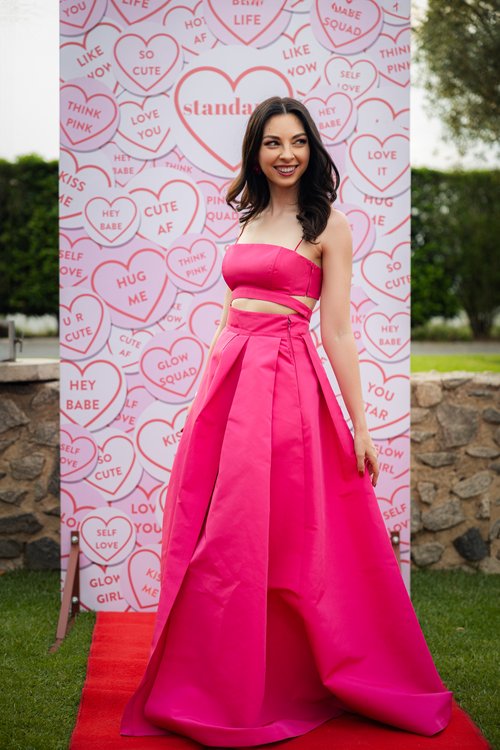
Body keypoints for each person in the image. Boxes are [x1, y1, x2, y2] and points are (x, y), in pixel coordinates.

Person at [120, 96, 453, 746]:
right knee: (217, 533)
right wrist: (202, 398)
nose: (286, 153)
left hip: (284, 387)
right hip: (228, 388)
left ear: (312, 149)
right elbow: (228, 317)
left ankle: (287, 674)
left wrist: (361, 425)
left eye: (297, 141)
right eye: (273, 142)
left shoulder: (328, 225)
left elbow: (338, 332)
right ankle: (215, 674)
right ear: (256, 151)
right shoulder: (248, 220)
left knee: (269, 533)